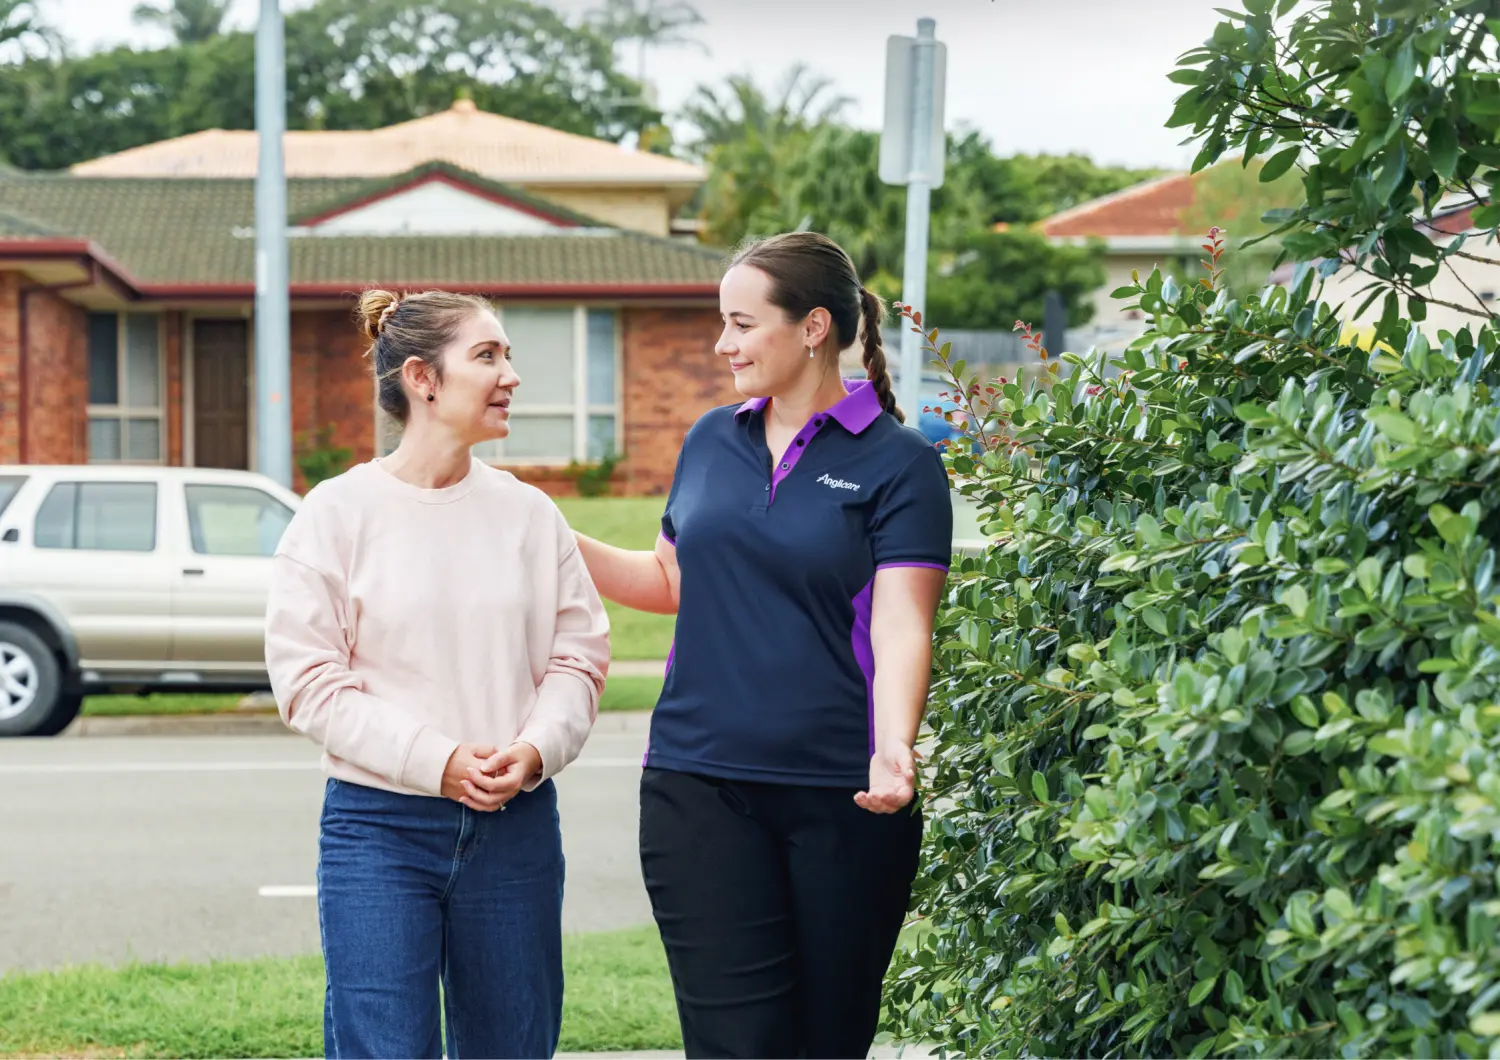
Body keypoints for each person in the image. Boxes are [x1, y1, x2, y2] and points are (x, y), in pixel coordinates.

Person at [574, 231, 953, 1059]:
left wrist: (895, 746)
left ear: (813, 327)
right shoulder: (712, 438)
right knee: (734, 1044)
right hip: (698, 785)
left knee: (825, 1041)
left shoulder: (900, 464)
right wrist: (550, 533)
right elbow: (670, 580)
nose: (723, 344)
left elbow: (901, 623)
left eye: (742, 324)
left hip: (842, 794)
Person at [264, 289, 610, 1060]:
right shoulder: (335, 513)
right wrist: (439, 761)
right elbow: (309, 682)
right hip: (377, 828)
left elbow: (577, 656)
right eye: (487, 356)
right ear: (422, 378)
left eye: (507, 354)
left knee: (513, 1045)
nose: (511, 374)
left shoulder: (529, 514)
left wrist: (536, 750)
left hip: (515, 826)